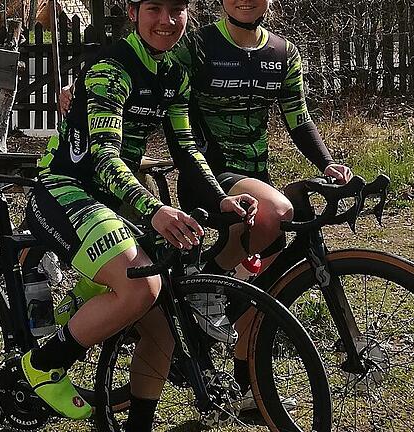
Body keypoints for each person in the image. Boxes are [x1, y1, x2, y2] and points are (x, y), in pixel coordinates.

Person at [59, 0, 354, 411]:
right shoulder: (194, 44)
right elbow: (137, 51)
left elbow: (298, 117)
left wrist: (327, 163)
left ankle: (247, 379)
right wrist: (81, 83)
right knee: (278, 213)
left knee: (263, 282)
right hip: (209, 175)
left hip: (248, 180)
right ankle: (204, 295)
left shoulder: (284, 53)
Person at [22, 0, 257, 429]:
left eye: (177, 10)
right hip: (66, 188)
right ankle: (43, 363)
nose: (166, 21)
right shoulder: (112, 68)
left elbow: (187, 148)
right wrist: (154, 210)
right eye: (154, 9)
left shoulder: (174, 74)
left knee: (161, 323)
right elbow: (104, 159)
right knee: (141, 288)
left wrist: (221, 197)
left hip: (112, 197)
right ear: (132, 12)